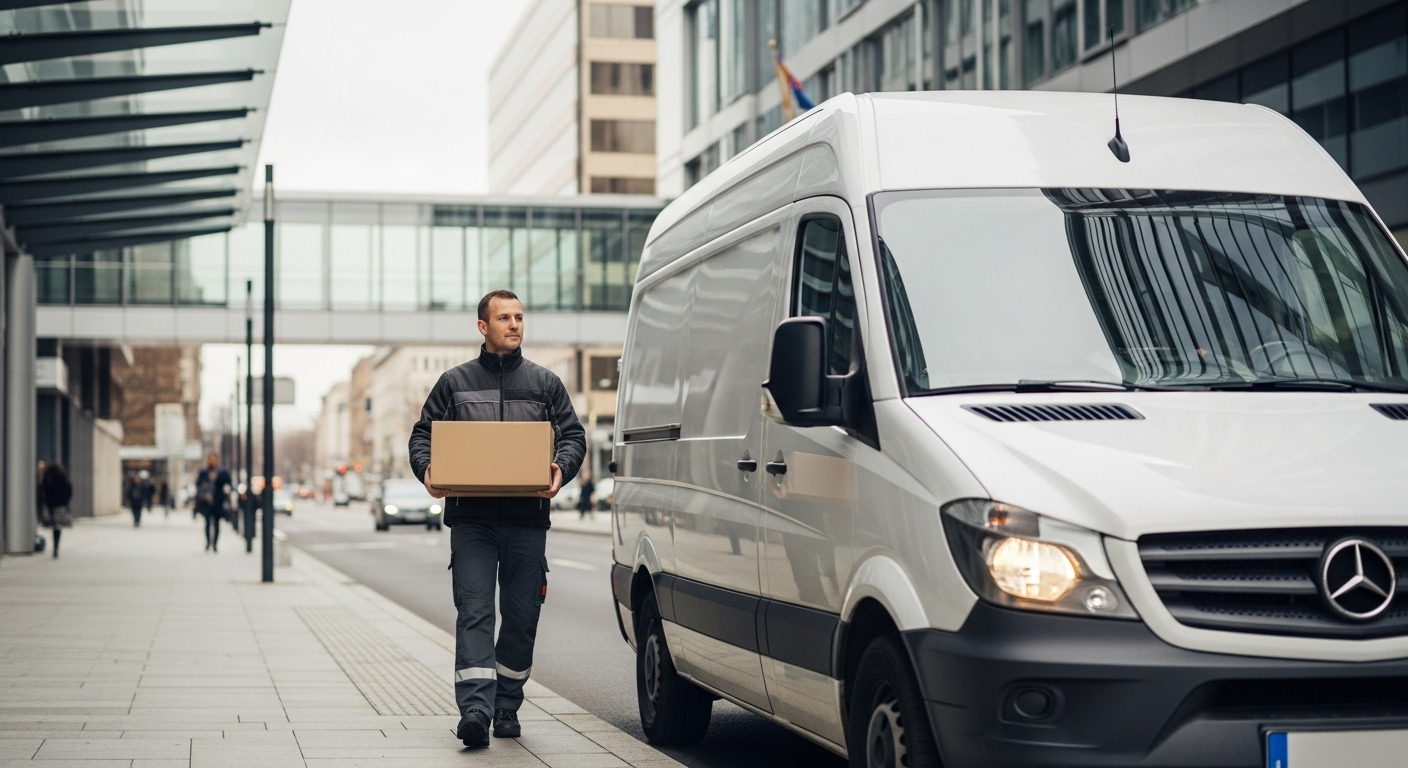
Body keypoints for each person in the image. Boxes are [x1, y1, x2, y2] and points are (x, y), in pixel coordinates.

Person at [408, 289, 585, 748]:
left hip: (528, 520)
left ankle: (507, 702)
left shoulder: (545, 384)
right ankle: (475, 710)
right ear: (483, 327)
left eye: (520, 317)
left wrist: (560, 468)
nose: (514, 325)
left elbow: (573, 436)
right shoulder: (454, 383)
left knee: (523, 616)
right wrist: (427, 469)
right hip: (473, 521)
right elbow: (423, 434)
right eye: (504, 318)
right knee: (476, 612)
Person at [194, 453, 231, 552]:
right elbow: (198, 484)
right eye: (210, 459)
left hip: (218, 501)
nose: (212, 461)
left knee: (217, 523)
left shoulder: (222, 472)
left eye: (214, 459)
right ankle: (208, 542)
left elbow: (228, 484)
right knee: (207, 522)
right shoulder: (204, 472)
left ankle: (215, 544)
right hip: (206, 501)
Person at [40, 463, 73, 558]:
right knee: (58, 527)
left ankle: (55, 546)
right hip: (60, 505)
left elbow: (44, 491)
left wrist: (46, 503)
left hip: (51, 505)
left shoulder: (48, 478)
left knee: (54, 526)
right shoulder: (63, 478)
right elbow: (69, 491)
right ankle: (56, 547)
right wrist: (65, 502)